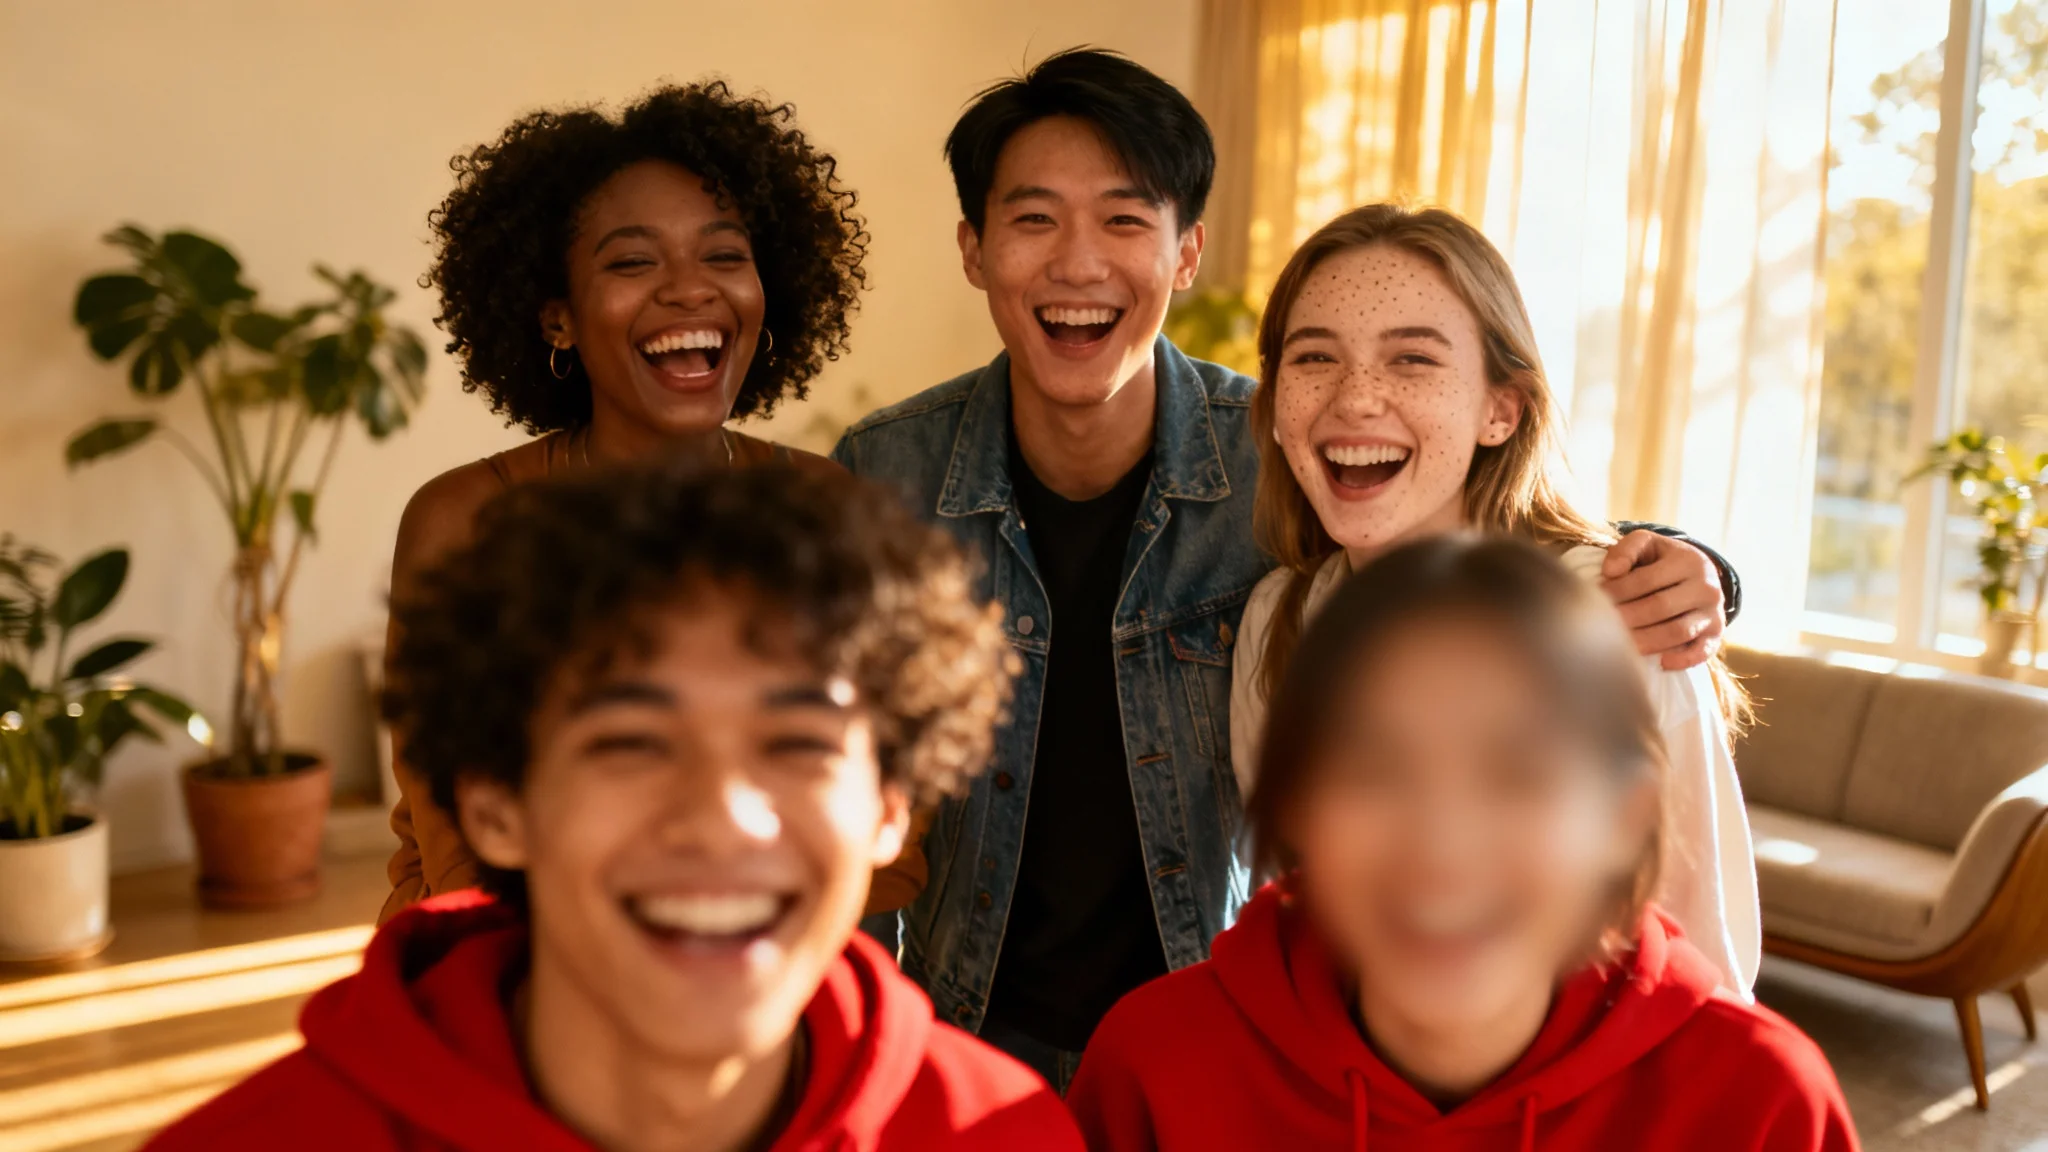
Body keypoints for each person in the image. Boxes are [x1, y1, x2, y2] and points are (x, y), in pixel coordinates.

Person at [832, 47, 1741, 1088]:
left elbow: (1464, 516)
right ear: (973, 249)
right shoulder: (889, 470)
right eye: (1033, 218)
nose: (1077, 262)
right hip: (976, 1026)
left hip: (1212, 1036)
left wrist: (1689, 565)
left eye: (1125, 219)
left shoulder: (1265, 446)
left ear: (1185, 254)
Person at [150, 465, 1084, 1152]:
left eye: (797, 744)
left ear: (892, 806)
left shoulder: (1005, 1133)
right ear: (494, 803)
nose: (725, 820)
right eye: (630, 745)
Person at [1069, 536, 1856, 1151]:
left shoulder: (1761, 1103)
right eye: (1377, 768)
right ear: (1293, 808)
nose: (1442, 843)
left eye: (1518, 774)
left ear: (1625, 820)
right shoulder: (1153, 1069)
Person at [1228, 203, 1758, 994]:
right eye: (1314, 358)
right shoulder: (1278, 619)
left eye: (1412, 360)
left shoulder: (1621, 614)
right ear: (1274, 407)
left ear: (1500, 410)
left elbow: (1704, 957)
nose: (1357, 399)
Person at [380, 81, 874, 924]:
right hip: (507, 959)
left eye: (723, 256)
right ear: (558, 319)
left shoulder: (820, 506)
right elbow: (456, 838)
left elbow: (853, 798)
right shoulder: (464, 523)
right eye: (632, 261)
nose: (690, 290)